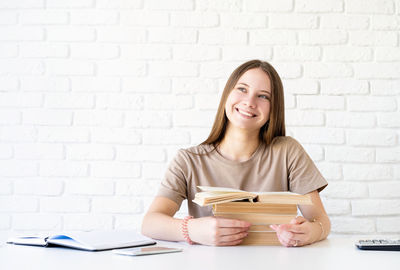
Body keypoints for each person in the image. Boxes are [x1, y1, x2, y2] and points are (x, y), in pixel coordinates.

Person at [141, 59, 331, 247]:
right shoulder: (188, 161)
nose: (249, 102)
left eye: (263, 96)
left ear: (274, 108)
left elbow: (321, 221)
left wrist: (309, 233)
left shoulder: (288, 152)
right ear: (226, 95)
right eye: (242, 89)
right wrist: (192, 230)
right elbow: (150, 223)